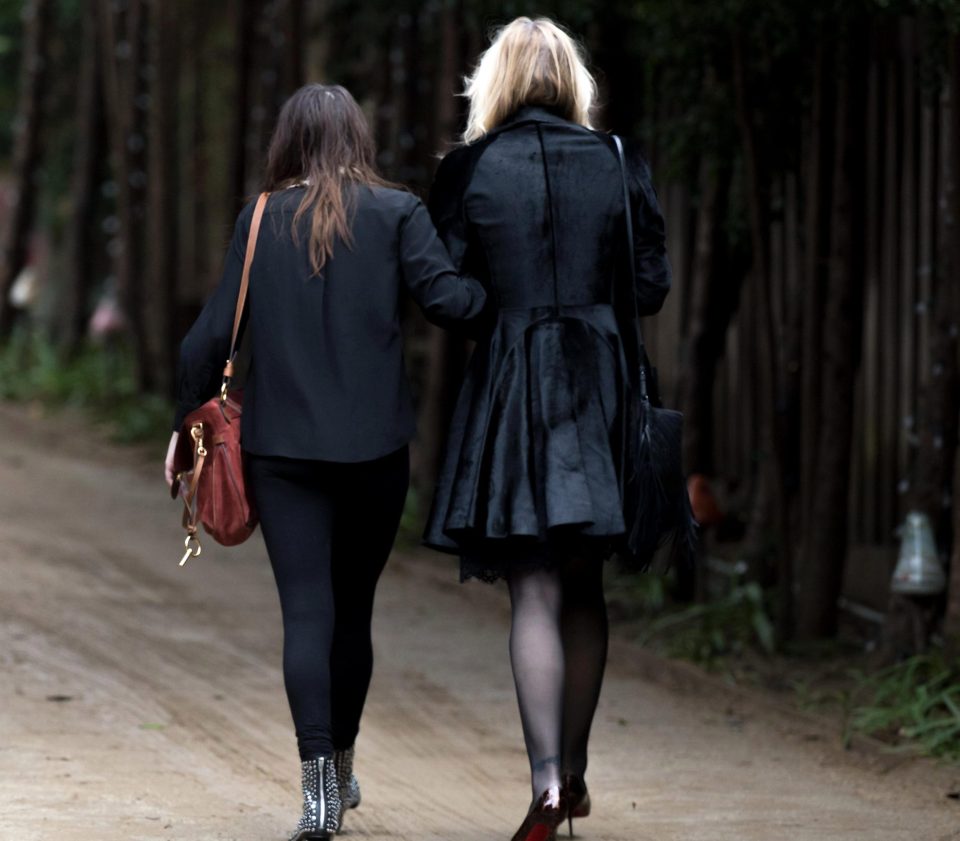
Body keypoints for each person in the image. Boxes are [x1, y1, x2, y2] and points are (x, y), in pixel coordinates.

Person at [164, 84, 486, 841]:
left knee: (307, 612)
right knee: (354, 615)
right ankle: (340, 770)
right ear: (358, 139)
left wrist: (185, 426)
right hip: (376, 453)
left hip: (282, 456)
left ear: (288, 141)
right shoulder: (399, 213)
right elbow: (455, 306)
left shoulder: (260, 219)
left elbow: (203, 343)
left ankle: (315, 795)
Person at [423, 17, 672, 841]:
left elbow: (446, 288)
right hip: (599, 378)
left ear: (493, 82)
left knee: (532, 583)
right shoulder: (616, 160)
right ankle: (577, 767)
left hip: (513, 381)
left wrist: (501, 316)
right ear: (574, 81)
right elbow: (650, 288)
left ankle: (546, 783)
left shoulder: (468, 170)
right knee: (584, 584)